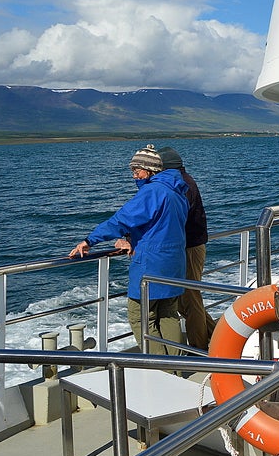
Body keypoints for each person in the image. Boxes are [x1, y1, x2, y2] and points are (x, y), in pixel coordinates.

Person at [69, 144, 188, 355]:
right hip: (174, 263)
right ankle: (178, 366)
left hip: (152, 265)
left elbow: (122, 219)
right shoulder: (177, 192)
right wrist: (131, 237)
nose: (134, 175)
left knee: (140, 316)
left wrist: (89, 240)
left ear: (150, 170)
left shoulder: (152, 192)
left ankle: (163, 369)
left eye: (137, 170)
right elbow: (160, 225)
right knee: (169, 315)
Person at [158, 146, 215, 351]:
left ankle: (199, 347)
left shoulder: (182, 185)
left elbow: (172, 218)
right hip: (191, 245)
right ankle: (215, 332)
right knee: (187, 300)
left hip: (189, 247)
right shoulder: (185, 181)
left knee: (189, 300)